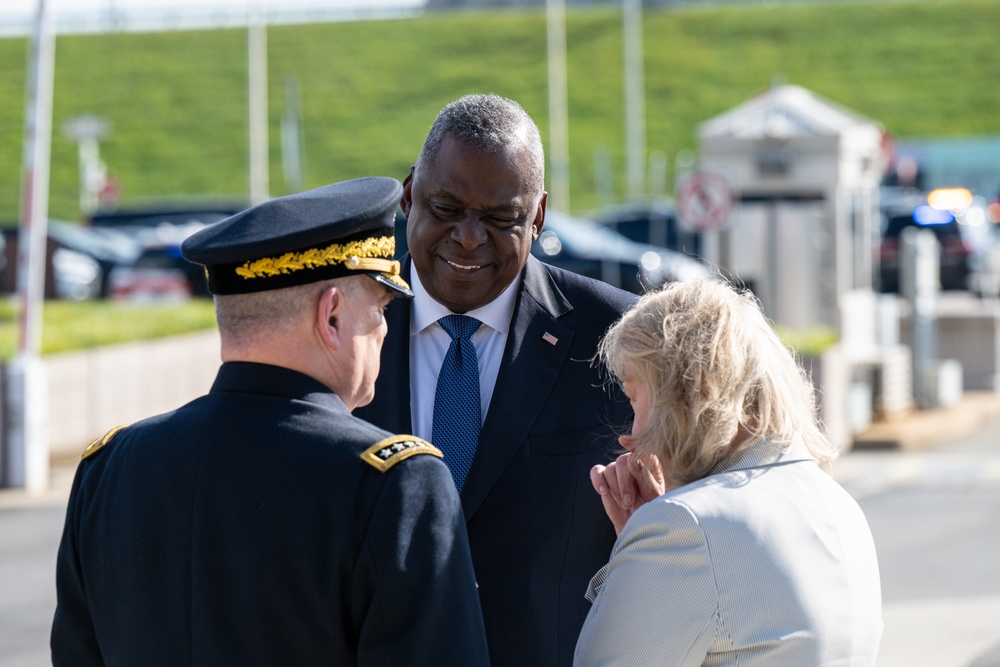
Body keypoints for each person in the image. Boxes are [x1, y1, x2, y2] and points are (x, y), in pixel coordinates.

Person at [51, 177, 490, 667]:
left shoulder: (109, 470)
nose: (385, 329)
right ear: (332, 315)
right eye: (381, 308)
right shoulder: (395, 486)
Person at [352, 94, 637, 666]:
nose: (469, 237)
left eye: (500, 218)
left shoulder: (620, 342)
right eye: (447, 208)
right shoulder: (341, 327)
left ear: (537, 216)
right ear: (408, 194)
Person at [574, 279, 883, 666]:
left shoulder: (683, 526)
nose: (632, 434)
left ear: (682, 394)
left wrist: (643, 543)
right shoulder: (840, 504)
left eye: (634, 397)